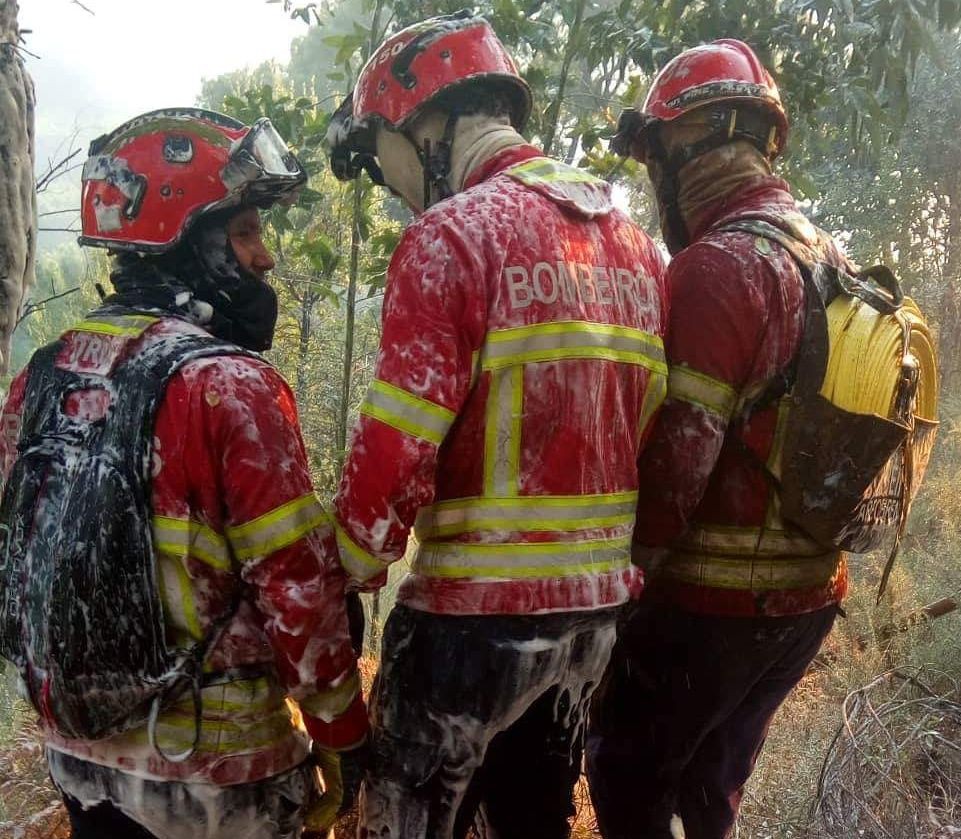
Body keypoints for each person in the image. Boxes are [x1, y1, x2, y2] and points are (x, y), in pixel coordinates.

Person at [325, 12, 668, 839]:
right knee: (532, 819)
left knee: (402, 820)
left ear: (426, 124)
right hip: (591, 623)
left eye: (384, 159)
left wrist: (338, 572)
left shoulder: (449, 238)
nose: (395, 185)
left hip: (467, 630)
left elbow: (394, 454)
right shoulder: (632, 244)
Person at [0, 109, 367, 839]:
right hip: (217, 778)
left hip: (81, 762)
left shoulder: (42, 375)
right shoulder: (230, 385)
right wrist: (341, 732)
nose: (264, 258)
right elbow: (297, 588)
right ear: (187, 241)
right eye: (245, 232)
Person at [585, 40, 853, 839]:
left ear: (687, 144)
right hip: (808, 596)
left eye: (656, 155)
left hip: (715, 599)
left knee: (625, 773)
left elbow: (675, 468)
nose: (654, 180)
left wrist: (619, 591)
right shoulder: (826, 254)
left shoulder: (718, 267)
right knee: (709, 791)